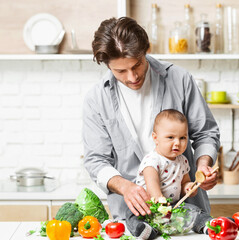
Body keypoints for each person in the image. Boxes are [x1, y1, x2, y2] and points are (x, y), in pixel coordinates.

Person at [82, 16, 220, 222]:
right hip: (131, 215)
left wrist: (203, 165)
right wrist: (124, 186)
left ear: (146, 50)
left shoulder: (180, 79)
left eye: (137, 64)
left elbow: (206, 133)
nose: (132, 77)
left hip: (189, 210)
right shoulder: (96, 99)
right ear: (107, 66)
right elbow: (96, 160)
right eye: (120, 71)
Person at [126, 109, 213, 239]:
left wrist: (189, 188)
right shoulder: (152, 160)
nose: (177, 143)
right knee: (133, 215)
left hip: (173, 206)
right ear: (155, 138)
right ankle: (145, 229)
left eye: (182, 138)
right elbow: (152, 186)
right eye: (170, 137)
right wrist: (159, 201)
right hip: (149, 206)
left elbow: (184, 182)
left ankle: (207, 224)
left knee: (194, 209)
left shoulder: (183, 161)